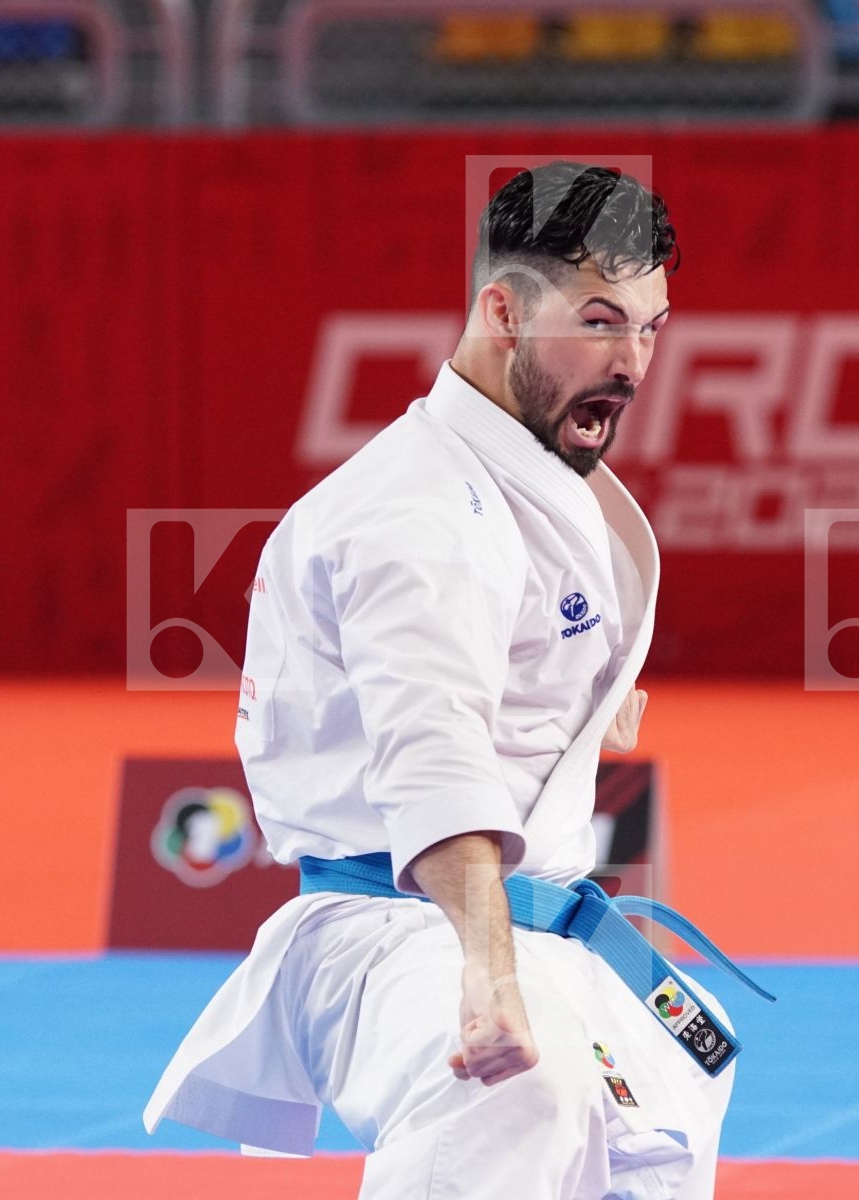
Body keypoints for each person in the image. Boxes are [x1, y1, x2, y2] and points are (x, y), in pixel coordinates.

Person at [144, 162, 768, 1199]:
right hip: (403, 925)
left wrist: (578, 711)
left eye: (653, 328)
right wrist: (485, 977)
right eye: (602, 321)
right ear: (502, 311)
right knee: (513, 1089)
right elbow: (430, 755)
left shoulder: (526, 479)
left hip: (531, 916)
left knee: (653, 1135)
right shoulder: (416, 514)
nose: (633, 362)